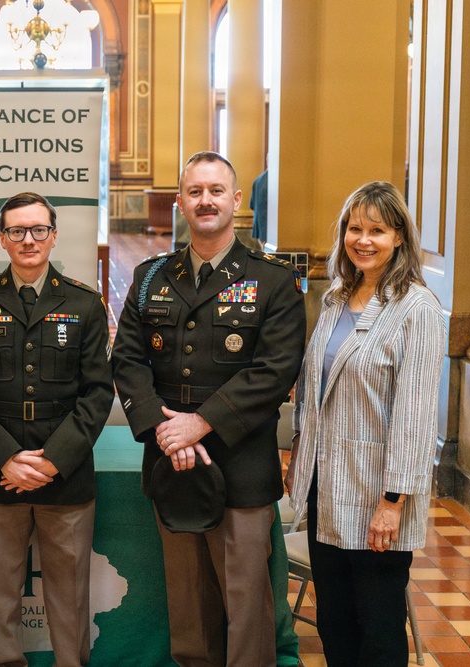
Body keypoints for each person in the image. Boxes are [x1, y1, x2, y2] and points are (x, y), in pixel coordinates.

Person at [112, 151, 306, 666]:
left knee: (246, 600)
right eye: (195, 191)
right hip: (169, 459)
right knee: (187, 600)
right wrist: (161, 427)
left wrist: (199, 424)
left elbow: (275, 370)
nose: (205, 201)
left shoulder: (273, 281)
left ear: (236, 201)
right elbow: (127, 358)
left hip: (240, 465)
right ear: (179, 201)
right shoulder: (152, 276)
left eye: (216, 191)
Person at [0, 192, 114, 667]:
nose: (28, 239)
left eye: (38, 229)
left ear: (54, 236)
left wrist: (51, 461)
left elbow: (97, 394)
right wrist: (7, 459)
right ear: (2, 239)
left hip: (66, 475)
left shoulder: (83, 303)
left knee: (69, 600)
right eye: (17, 231)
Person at [286, 181, 445, 666]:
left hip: (379, 494)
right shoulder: (336, 296)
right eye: (355, 228)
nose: (364, 239)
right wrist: (299, 452)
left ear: (399, 237)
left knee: (376, 627)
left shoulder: (417, 308)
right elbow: (312, 384)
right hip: (326, 486)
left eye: (377, 229)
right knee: (334, 619)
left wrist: (393, 501)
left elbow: (415, 417)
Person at [250, 167, 268, 247]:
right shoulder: (275, 180)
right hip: (271, 230)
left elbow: (252, 205)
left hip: (259, 227)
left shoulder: (258, 180)